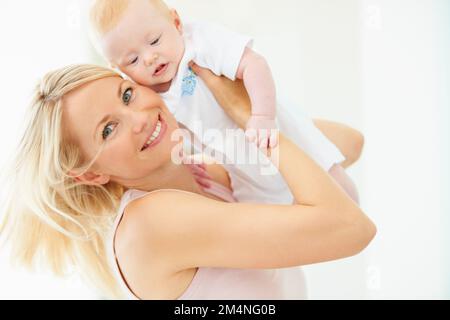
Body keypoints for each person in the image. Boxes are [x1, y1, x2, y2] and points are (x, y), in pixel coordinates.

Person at [0, 64, 376, 299]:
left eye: (127, 94)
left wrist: (237, 115)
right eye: (108, 129)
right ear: (91, 174)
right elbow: (350, 228)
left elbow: (346, 144)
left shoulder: (203, 176)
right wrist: (247, 118)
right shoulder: (151, 223)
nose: (140, 119)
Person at [89, 0, 363, 200]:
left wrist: (262, 116)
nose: (149, 58)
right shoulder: (148, 94)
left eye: (155, 40)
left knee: (340, 191)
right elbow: (175, 130)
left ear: (175, 22)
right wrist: (184, 160)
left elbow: (254, 65)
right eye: (133, 59)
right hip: (242, 166)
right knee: (274, 215)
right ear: (119, 69)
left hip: (274, 131)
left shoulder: (199, 44)